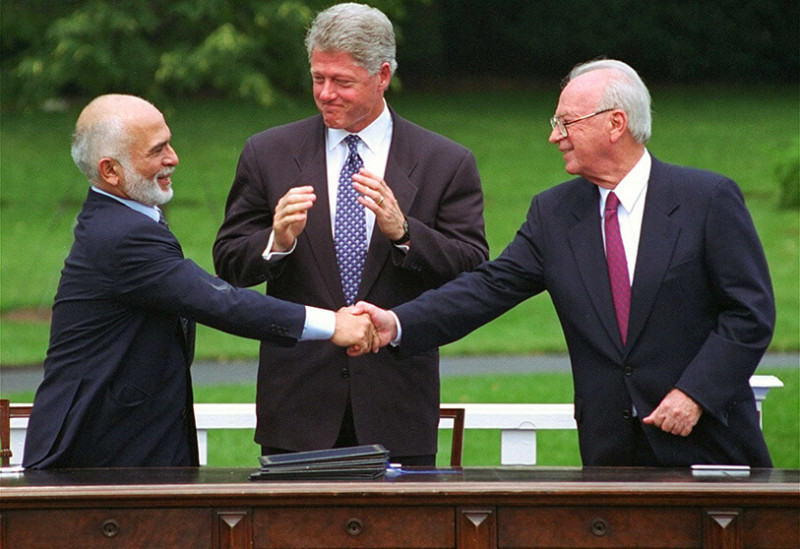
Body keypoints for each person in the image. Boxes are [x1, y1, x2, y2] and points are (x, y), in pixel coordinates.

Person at [356, 59, 775, 467]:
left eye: (566, 122)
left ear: (615, 123)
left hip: (708, 445)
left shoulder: (706, 199)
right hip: (610, 455)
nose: (555, 136)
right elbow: (487, 288)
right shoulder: (554, 214)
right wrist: (397, 322)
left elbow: (749, 313)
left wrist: (695, 394)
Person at [22, 94, 377, 469]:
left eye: (169, 143)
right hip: (96, 455)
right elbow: (220, 303)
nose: (173, 158)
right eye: (157, 150)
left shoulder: (123, 220)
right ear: (110, 171)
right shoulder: (122, 235)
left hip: (127, 447)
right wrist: (334, 324)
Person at [212, 3, 488, 466]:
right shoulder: (268, 152)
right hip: (297, 410)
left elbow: (474, 271)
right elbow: (229, 262)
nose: (325, 94)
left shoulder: (445, 162)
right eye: (317, 78)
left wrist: (406, 234)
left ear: (382, 76)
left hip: (397, 408)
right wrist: (277, 242)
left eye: (342, 81)